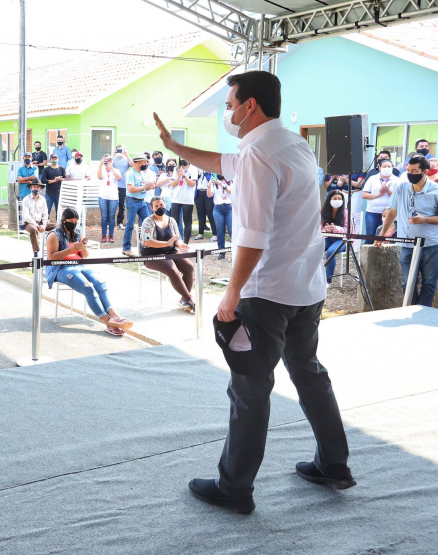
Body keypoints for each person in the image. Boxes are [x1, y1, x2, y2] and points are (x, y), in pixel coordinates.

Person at [156, 70, 354, 514]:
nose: (227, 113)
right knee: (309, 374)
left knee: (249, 388)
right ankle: (334, 464)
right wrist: (175, 148)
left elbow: (253, 235)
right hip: (306, 286)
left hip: (267, 292)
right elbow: (221, 162)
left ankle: (235, 487)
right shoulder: (292, 144)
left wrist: (232, 293)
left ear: (250, 107)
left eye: (229, 106)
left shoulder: (257, 154)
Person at [45, 207, 133, 336]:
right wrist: (70, 250)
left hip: (79, 265)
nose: (73, 224)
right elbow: (52, 257)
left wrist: (83, 247)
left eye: (76, 221)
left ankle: (115, 316)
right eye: (71, 221)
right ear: (64, 220)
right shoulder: (54, 235)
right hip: (61, 268)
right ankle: (109, 323)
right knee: (89, 288)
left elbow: (84, 256)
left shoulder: (77, 233)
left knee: (101, 284)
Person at [377, 154, 438, 306]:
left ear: (425, 172)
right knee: (408, 283)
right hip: (407, 244)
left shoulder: (436, 190)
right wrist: (382, 235)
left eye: (415, 171)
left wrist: (425, 219)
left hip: (430, 245)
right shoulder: (401, 188)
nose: (410, 174)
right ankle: (412, 309)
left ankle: (422, 312)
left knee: (429, 282)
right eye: (409, 170)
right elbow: (392, 212)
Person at [139, 197, 195, 311]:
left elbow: (177, 238)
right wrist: (166, 243)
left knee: (189, 267)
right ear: (152, 208)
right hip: (152, 254)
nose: (159, 207)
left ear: (165, 205)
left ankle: (184, 300)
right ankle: (189, 299)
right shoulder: (148, 221)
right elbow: (147, 242)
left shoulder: (171, 220)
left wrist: (180, 245)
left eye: (161, 205)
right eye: (156, 206)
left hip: (170, 251)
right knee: (173, 270)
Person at [121, 154, 154, 257]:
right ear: (139, 163)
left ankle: (145, 247)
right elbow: (131, 189)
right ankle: (126, 248)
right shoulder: (131, 174)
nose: (146, 164)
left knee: (147, 223)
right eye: (144, 162)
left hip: (141, 201)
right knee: (130, 225)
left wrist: (149, 186)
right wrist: (145, 187)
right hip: (132, 201)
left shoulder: (141, 173)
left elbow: (142, 186)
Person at [361, 159, 400, 244]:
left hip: (390, 213)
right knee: (371, 235)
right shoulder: (372, 178)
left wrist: (388, 191)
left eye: (389, 166)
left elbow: (399, 198)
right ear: (379, 168)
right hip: (373, 211)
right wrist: (379, 194)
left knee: (387, 237)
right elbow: (364, 195)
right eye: (384, 166)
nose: (387, 168)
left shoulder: (397, 180)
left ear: (392, 168)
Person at [320, 190, 349, 284]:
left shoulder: (346, 213)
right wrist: (326, 229)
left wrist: (337, 229)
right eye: (335, 198)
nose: (337, 201)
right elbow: (319, 228)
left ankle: (327, 280)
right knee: (315, 248)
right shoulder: (324, 212)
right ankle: (315, 276)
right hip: (328, 238)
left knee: (331, 252)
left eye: (339, 199)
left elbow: (349, 231)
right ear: (329, 200)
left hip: (342, 240)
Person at [165, 159, 196, 243]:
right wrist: (178, 177)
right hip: (176, 198)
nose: (183, 159)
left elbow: (192, 184)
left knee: (187, 222)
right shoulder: (177, 169)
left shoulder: (193, 169)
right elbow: (173, 184)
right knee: (174, 221)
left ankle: (185, 242)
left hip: (188, 199)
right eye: (181, 158)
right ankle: (176, 241)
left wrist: (184, 175)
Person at [207, 174, 233, 258]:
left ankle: (236, 250)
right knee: (220, 231)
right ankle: (221, 251)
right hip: (218, 208)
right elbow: (209, 195)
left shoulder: (230, 181)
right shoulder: (214, 183)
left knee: (231, 230)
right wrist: (209, 185)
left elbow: (232, 192)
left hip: (229, 207)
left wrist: (221, 184)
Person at [97, 155, 121, 243]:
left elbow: (119, 178)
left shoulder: (116, 170)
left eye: (110, 159)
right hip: (103, 196)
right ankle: (103, 235)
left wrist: (112, 168)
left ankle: (111, 235)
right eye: (106, 160)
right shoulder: (102, 169)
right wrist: (101, 164)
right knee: (104, 217)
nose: (108, 161)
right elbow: (99, 177)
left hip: (113, 197)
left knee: (112, 217)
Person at [21, 181, 50, 256]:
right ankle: (36, 252)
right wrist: (37, 226)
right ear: (31, 188)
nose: (36, 189)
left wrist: (44, 225)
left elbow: (45, 214)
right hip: (29, 223)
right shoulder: (26, 199)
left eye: (37, 187)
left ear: (40, 189)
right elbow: (27, 216)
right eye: (34, 187)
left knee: (56, 227)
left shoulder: (43, 199)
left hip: (41, 222)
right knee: (34, 229)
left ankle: (53, 249)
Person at [40, 153, 66, 220]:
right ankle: (45, 223)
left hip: (59, 193)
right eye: (52, 158)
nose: (54, 160)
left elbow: (65, 179)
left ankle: (58, 224)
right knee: (46, 211)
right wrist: (53, 181)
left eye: (55, 158)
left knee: (59, 212)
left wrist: (60, 179)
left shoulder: (62, 169)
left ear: (58, 159)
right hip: (49, 193)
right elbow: (43, 180)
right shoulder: (46, 169)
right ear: (50, 159)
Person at [194, 170, 218, 241]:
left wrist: (206, 174)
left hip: (209, 193)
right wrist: (198, 175)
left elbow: (214, 180)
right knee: (200, 214)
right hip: (199, 192)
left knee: (210, 214)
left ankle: (215, 234)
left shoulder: (212, 169)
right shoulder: (197, 169)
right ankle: (200, 233)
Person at [113, 146, 132, 229]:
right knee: (112, 205)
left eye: (121, 150)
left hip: (123, 186)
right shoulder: (113, 159)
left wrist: (127, 155)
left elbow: (132, 164)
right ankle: (110, 222)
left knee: (122, 205)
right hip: (113, 185)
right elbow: (107, 165)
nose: (120, 151)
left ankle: (120, 223)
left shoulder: (126, 159)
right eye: (118, 150)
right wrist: (113, 155)